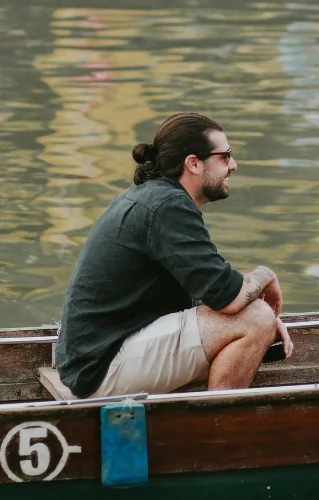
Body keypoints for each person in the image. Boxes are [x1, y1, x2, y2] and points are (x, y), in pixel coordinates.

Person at [56, 112, 293, 399]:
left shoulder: (151, 196)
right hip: (100, 369)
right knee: (255, 319)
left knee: (255, 315)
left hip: (90, 360)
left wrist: (252, 308)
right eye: (225, 156)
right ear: (193, 163)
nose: (233, 165)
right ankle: (216, 432)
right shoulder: (168, 206)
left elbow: (212, 287)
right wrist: (265, 278)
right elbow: (228, 298)